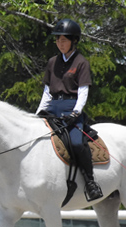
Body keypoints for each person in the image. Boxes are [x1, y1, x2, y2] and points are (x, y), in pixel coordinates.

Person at [36, 18, 103, 202]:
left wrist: (76, 112)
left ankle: (90, 183)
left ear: (74, 41)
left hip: (71, 108)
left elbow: (83, 92)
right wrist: (39, 112)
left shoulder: (81, 62)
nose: (60, 43)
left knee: (75, 143)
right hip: (52, 107)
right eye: (57, 40)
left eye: (64, 40)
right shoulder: (52, 62)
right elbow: (47, 92)